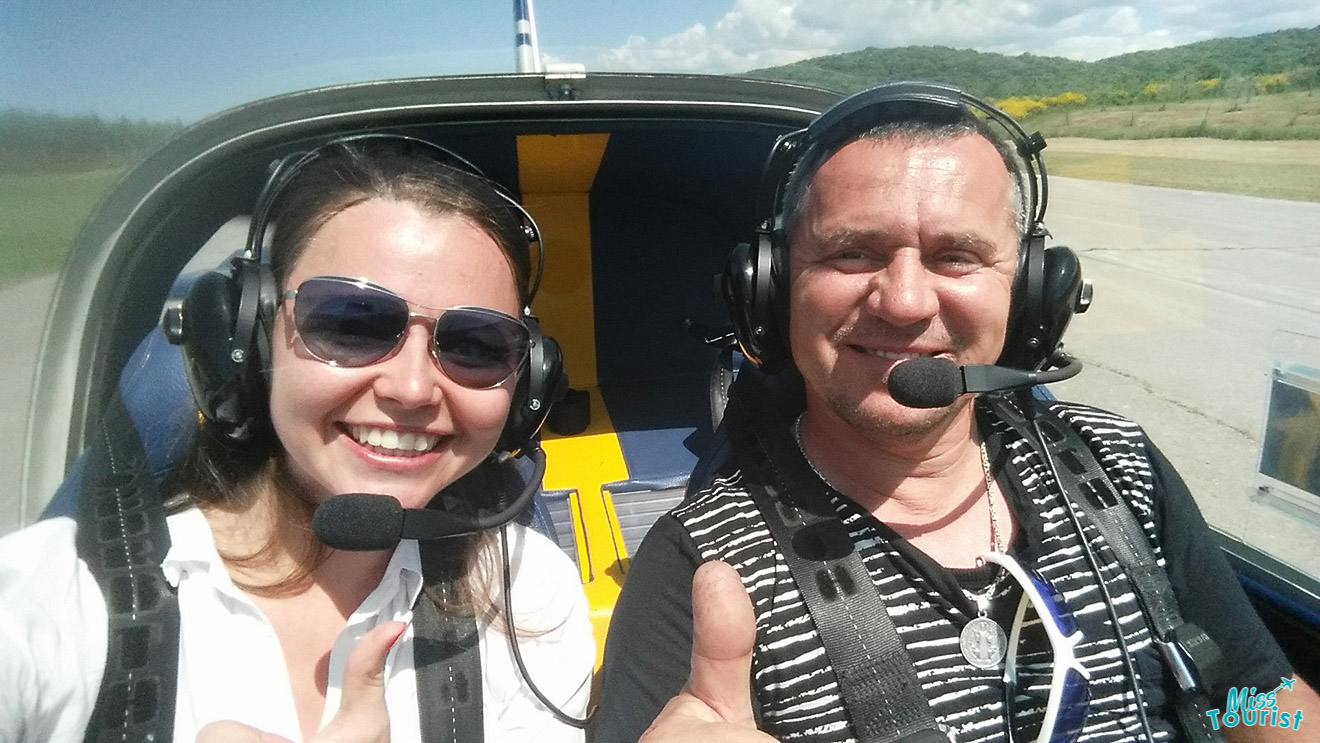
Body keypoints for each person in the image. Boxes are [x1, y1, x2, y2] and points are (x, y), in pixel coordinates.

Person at [594, 82, 1320, 743]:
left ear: (1031, 294)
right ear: (775, 290)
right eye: (851, 252)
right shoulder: (697, 563)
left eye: (956, 256)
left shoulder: (1121, 467)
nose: (905, 301)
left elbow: (1247, 696)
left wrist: (1243, 705)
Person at [0, 135, 594, 742]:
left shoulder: (527, 594)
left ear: (525, 389)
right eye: (349, 323)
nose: (414, 389)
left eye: (476, 344)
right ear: (250, 337)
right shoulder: (62, 597)